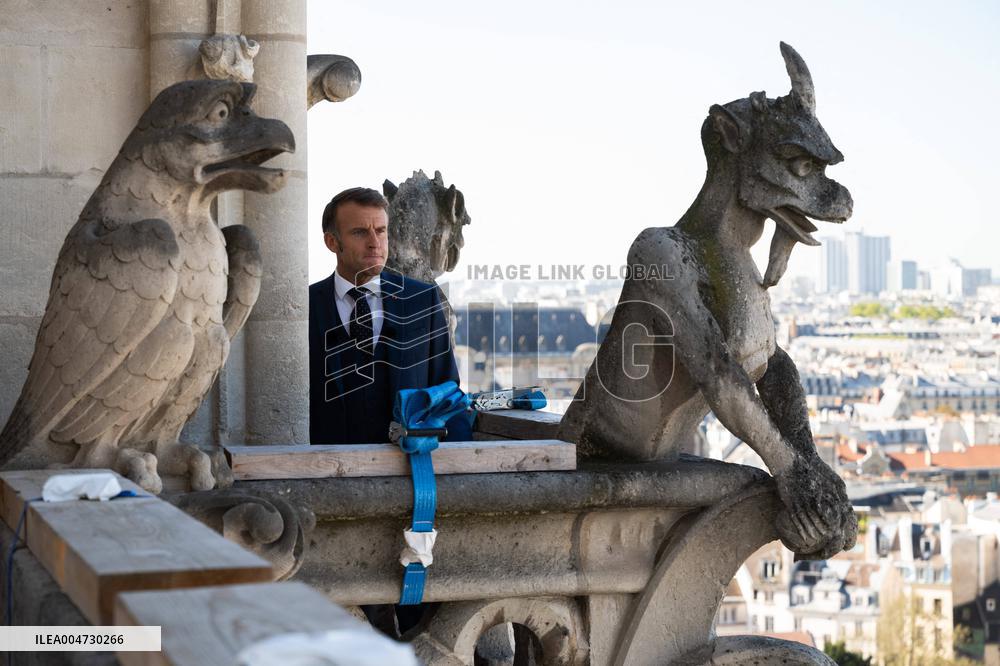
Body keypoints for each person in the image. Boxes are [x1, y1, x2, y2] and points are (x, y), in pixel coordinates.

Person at [309, 186, 460, 445]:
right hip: (325, 464)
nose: (375, 243)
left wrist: (458, 462)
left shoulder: (422, 299)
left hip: (407, 464)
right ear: (332, 242)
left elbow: (448, 391)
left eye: (381, 231)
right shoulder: (304, 307)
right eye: (360, 232)